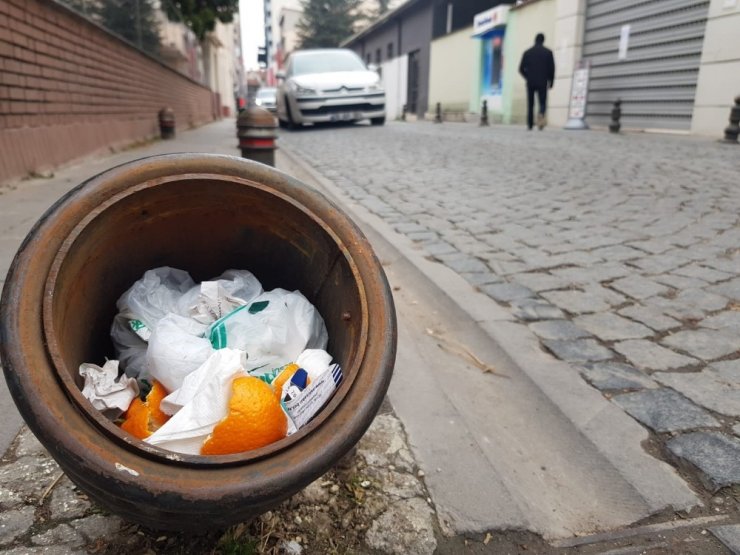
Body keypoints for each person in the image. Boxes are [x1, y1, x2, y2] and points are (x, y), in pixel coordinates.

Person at [519, 33, 555, 130]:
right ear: (543, 40)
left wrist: (527, 76)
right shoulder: (548, 52)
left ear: (535, 40)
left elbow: (521, 68)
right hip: (542, 81)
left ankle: (530, 124)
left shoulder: (527, 52)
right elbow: (552, 69)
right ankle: (541, 114)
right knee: (542, 102)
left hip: (530, 81)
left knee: (530, 104)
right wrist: (551, 81)